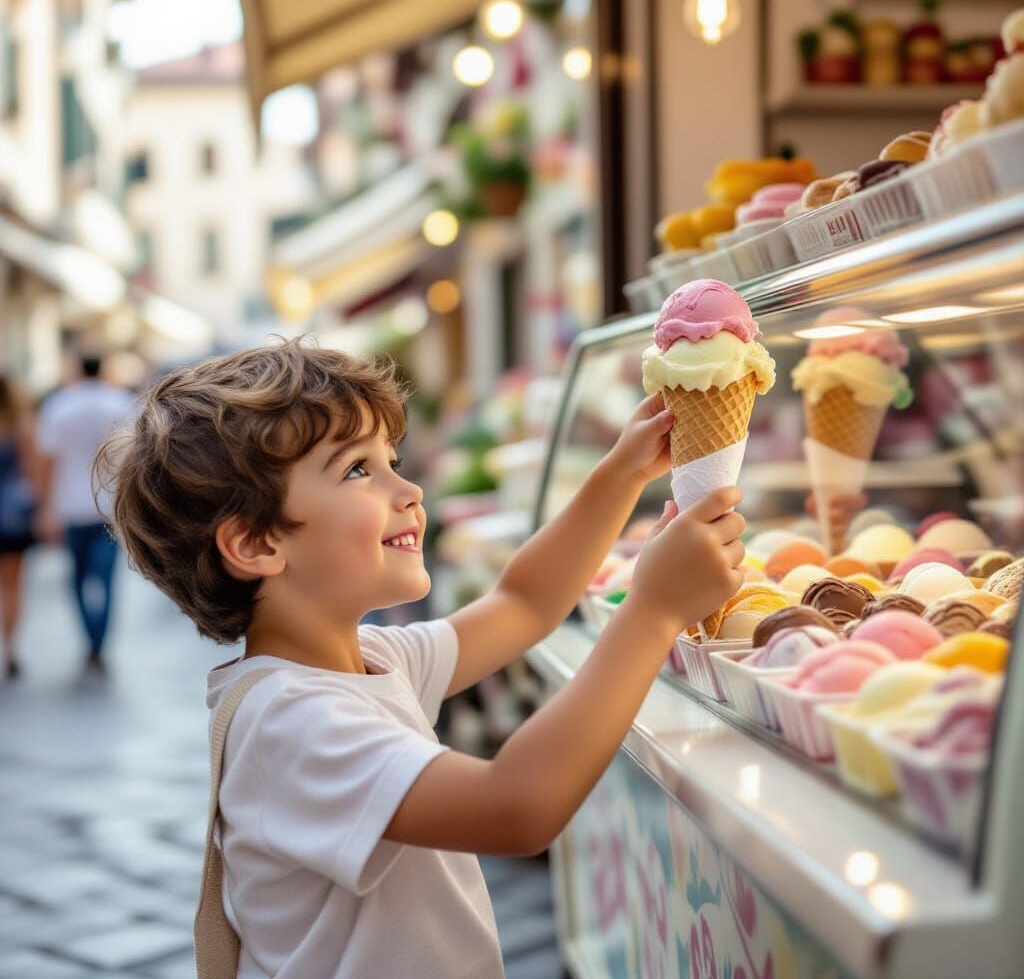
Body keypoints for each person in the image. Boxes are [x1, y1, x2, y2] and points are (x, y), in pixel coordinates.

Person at [96, 338, 744, 977]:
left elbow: (522, 603)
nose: (408, 490)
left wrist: (623, 471)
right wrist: (653, 612)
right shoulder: (289, 722)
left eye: (392, 459)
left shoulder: (368, 659)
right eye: (358, 470)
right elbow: (517, 808)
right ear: (257, 543)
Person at [36, 353, 135, 673]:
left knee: (77, 578)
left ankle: (90, 639)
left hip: (71, 506)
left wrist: (46, 507)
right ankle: (99, 641)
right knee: (106, 579)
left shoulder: (59, 405)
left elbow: (48, 460)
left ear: (79, 369)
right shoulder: (121, 403)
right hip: (109, 506)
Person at [0, 375, 37, 679]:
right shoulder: (20, 427)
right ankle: (10, 649)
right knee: (12, 587)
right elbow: (32, 472)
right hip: (10, 518)